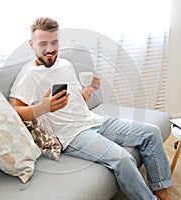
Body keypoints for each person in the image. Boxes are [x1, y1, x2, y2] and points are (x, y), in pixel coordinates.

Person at [9, 17, 172, 200]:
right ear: (32, 44)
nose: (49, 49)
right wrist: (42, 108)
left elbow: (78, 102)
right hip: (72, 135)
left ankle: (162, 193)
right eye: (43, 44)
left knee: (151, 132)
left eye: (54, 42)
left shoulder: (66, 65)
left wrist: (89, 90)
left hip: (94, 120)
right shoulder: (29, 75)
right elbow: (14, 111)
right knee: (123, 159)